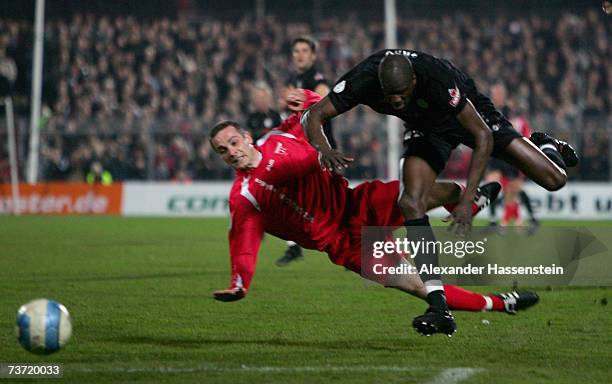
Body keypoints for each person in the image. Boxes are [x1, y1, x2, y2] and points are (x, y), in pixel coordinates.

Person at [210, 89, 538, 336]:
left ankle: (468, 200)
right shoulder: (244, 196)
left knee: (430, 191)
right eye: (224, 151)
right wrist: (240, 282)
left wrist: (307, 96)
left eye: (234, 143)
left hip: (357, 204)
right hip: (344, 243)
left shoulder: (281, 136)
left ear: (247, 137)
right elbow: (244, 240)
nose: (232, 152)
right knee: (422, 286)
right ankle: (501, 303)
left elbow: (321, 108)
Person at [301, 49, 577, 335]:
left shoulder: (437, 79)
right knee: (409, 202)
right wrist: (324, 149)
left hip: (470, 118)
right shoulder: (364, 79)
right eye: (390, 95)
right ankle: (438, 307)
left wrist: (468, 199)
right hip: (426, 129)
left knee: (554, 179)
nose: (395, 101)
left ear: (414, 81)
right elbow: (313, 116)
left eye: (401, 94)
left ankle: (543, 144)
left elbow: (482, 137)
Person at [277, 36, 337, 266]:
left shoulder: (317, 78)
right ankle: (294, 245)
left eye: (304, 51)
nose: (300, 55)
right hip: (303, 150)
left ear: (313, 55)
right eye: (296, 51)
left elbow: (324, 101)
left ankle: (371, 242)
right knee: (290, 194)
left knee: (337, 205)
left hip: (320, 150)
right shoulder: (295, 79)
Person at [484, 83, 539, 234]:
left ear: (503, 95)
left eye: (499, 93)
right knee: (492, 184)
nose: (497, 96)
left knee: (514, 189)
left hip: (509, 154)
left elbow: (517, 129)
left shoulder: (510, 112)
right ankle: (494, 221)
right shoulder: (487, 108)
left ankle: (533, 218)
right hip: (496, 154)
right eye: (495, 93)